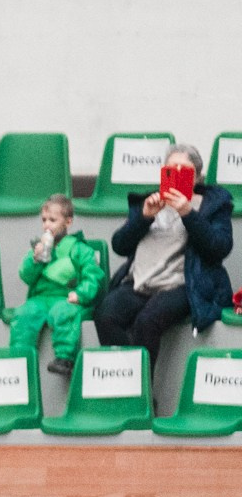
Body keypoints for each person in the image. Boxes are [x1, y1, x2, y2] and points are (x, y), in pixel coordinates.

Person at [94, 144, 235, 363]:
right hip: (139, 282)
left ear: (197, 177)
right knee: (105, 315)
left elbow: (219, 248)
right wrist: (143, 218)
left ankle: (141, 383)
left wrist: (188, 213)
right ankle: (130, 377)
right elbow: (119, 245)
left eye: (184, 170)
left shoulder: (212, 206)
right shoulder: (149, 202)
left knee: (147, 321)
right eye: (171, 169)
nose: (176, 173)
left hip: (183, 284)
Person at [6, 193, 105, 376]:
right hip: (40, 298)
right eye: (44, 220)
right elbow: (26, 276)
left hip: (66, 298)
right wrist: (35, 259)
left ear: (68, 222)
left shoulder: (79, 249)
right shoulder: (38, 248)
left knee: (63, 313)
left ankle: (64, 358)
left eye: (52, 220)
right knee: (24, 314)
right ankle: (19, 358)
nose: (47, 225)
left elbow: (93, 276)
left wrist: (81, 294)